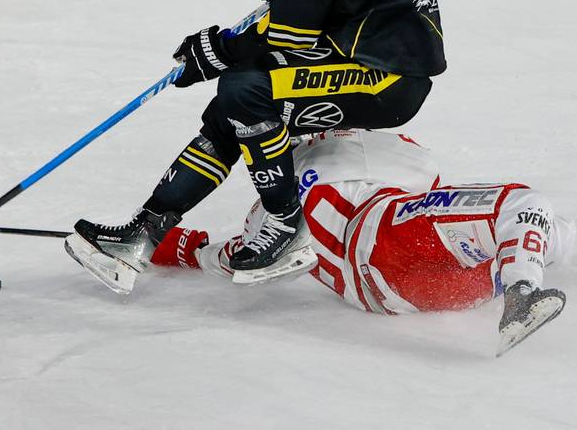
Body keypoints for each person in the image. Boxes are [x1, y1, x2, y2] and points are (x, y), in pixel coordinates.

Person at [66, 0, 446, 292]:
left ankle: (286, 225)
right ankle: (144, 233)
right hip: (372, 47)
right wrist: (230, 45)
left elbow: (290, 35)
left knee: (244, 91)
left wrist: (218, 51)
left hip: (387, 77)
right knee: (232, 107)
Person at [146, 129, 572, 356]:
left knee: (526, 230)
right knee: (524, 206)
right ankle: (521, 293)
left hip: (392, 295)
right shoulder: (363, 145)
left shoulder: (267, 213)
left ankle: (520, 271)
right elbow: (429, 180)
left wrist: (181, 247)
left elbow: (237, 260)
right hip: (391, 239)